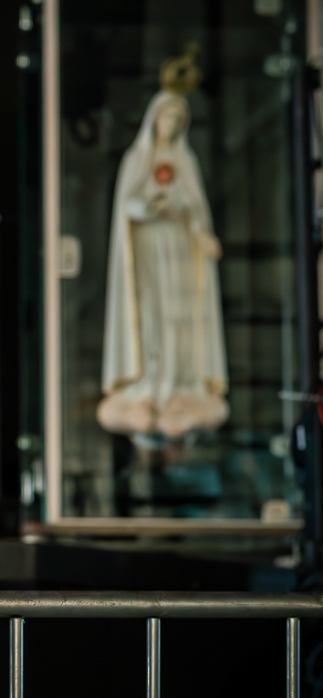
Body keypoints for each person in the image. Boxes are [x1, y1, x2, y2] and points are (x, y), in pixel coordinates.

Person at [98, 69, 228, 440]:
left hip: (181, 253)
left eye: (178, 118)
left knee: (180, 317)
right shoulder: (137, 158)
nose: (171, 123)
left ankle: (180, 385)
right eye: (167, 116)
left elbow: (197, 209)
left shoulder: (187, 162)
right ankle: (150, 384)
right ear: (154, 118)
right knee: (151, 318)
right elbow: (128, 207)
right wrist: (151, 205)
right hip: (147, 252)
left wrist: (202, 233)